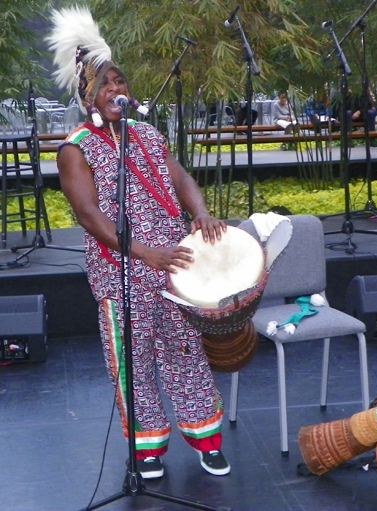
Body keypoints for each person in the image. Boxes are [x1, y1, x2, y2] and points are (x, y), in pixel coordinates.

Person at [47, 7, 230, 480]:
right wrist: (144, 253)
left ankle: (207, 440)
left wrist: (201, 212)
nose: (116, 90)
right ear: (87, 94)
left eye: (120, 82)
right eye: (105, 85)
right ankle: (147, 449)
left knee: (185, 351)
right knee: (134, 360)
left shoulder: (147, 133)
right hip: (121, 270)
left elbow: (179, 176)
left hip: (175, 263)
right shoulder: (75, 148)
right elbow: (89, 215)